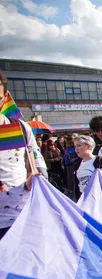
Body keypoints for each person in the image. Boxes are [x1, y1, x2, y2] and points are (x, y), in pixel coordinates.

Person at [0, 71, 40, 239]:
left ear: (4, 97)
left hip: (21, 220)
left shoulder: (20, 128)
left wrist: (34, 179)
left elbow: (32, 169)